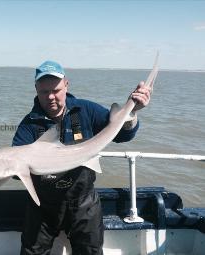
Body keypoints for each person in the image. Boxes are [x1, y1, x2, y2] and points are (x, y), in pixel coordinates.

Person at [12, 60, 151, 255]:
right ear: (36, 89)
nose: (51, 97)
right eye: (44, 92)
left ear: (66, 85)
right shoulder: (28, 124)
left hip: (83, 201)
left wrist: (132, 112)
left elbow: (122, 135)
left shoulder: (85, 110)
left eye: (56, 90)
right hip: (43, 205)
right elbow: (16, 168)